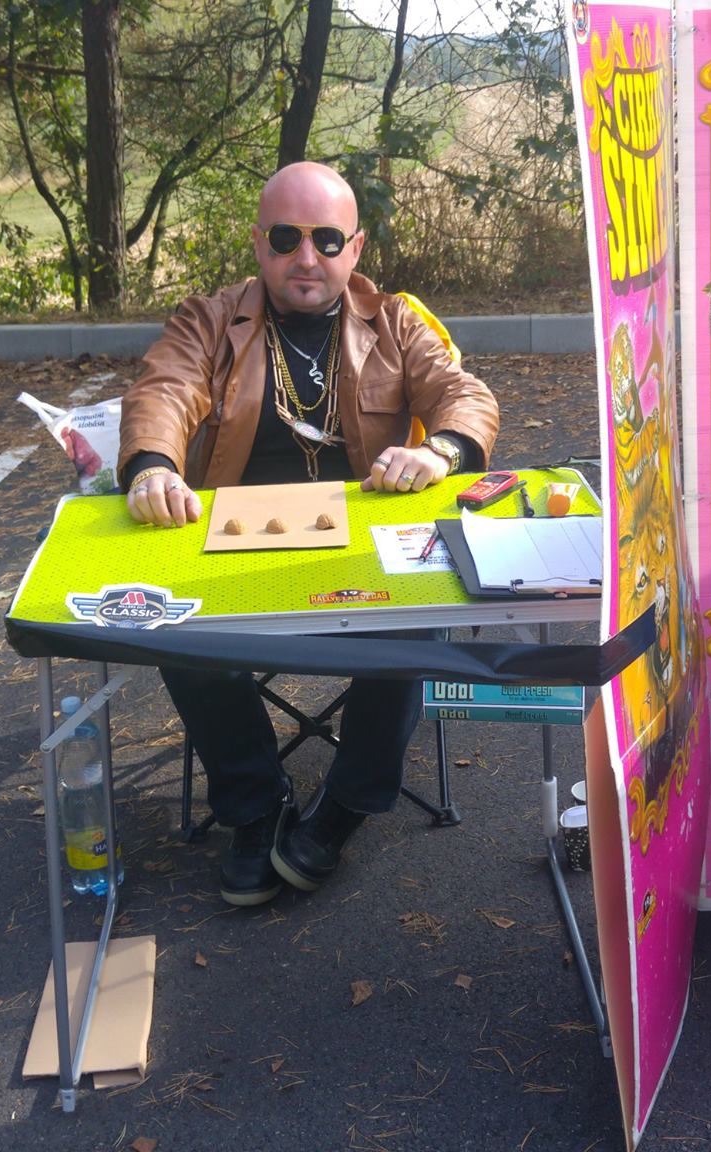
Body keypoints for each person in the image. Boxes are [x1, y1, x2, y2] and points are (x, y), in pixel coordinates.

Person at [116, 162, 500, 906]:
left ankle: (347, 804)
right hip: (232, 547)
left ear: (355, 248)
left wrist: (441, 450)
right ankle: (255, 805)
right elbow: (162, 390)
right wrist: (153, 465)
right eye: (287, 238)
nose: (306, 257)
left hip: (364, 551)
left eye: (327, 240)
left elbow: (464, 395)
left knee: (418, 621)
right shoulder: (206, 320)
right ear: (258, 242)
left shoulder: (396, 322)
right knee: (170, 620)